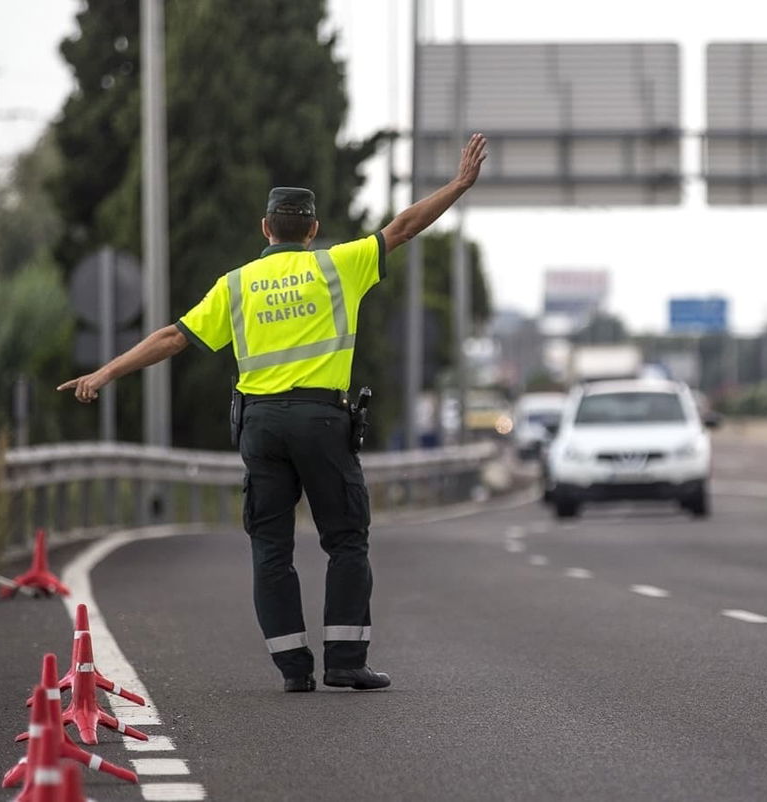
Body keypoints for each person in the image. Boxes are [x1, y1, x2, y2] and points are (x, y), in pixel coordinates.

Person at [58, 133, 488, 692]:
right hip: (321, 423)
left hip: (260, 427)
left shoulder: (235, 285)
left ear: (265, 229)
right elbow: (404, 226)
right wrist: (458, 184)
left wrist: (105, 372)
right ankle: (344, 661)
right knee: (346, 540)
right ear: (312, 229)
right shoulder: (341, 265)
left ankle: (293, 669)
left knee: (270, 547)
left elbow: (172, 337)